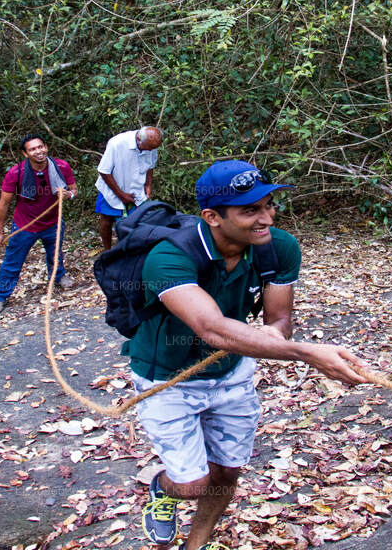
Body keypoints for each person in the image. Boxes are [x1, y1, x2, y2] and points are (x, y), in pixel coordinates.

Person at [127, 160, 368, 550]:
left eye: (269, 205)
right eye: (250, 210)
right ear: (213, 217)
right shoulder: (169, 257)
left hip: (232, 372)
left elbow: (279, 319)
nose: (267, 218)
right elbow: (212, 328)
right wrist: (307, 354)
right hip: (167, 377)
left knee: (226, 472)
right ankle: (163, 488)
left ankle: (197, 544)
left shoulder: (279, 248)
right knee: (192, 484)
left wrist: (276, 337)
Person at [0, 134, 77, 316]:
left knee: (55, 254)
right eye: (32, 149)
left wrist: (70, 195)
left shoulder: (61, 166)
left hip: (53, 222)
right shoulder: (16, 173)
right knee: (12, 262)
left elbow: (74, 188)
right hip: (24, 225)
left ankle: (58, 276)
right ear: (25, 153)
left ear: (46, 147)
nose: (38, 151)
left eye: (40, 147)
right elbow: (4, 203)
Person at [95, 125, 163, 250]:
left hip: (136, 188)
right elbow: (104, 171)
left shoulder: (151, 146)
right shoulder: (117, 143)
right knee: (107, 219)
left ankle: (127, 250)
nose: (150, 151)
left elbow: (150, 166)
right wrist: (121, 194)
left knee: (134, 221)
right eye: (148, 148)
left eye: (153, 149)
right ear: (138, 139)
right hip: (112, 187)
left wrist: (148, 184)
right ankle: (107, 250)